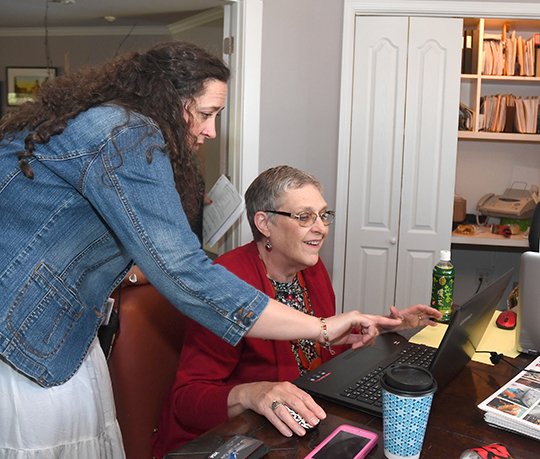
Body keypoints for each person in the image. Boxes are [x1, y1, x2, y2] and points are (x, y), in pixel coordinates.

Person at [0, 43, 390, 458]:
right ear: (167, 101)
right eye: (206, 113)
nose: (211, 131)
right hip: (22, 327)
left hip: (52, 322)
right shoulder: (126, 133)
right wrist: (322, 326)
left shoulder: (108, 124)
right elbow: (185, 273)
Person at [152, 166, 441, 458]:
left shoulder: (311, 271)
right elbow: (185, 401)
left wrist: (381, 326)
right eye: (304, 217)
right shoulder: (227, 283)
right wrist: (251, 393)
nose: (322, 228)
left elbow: (319, 348)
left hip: (300, 425)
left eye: (324, 215)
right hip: (231, 441)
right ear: (264, 223)